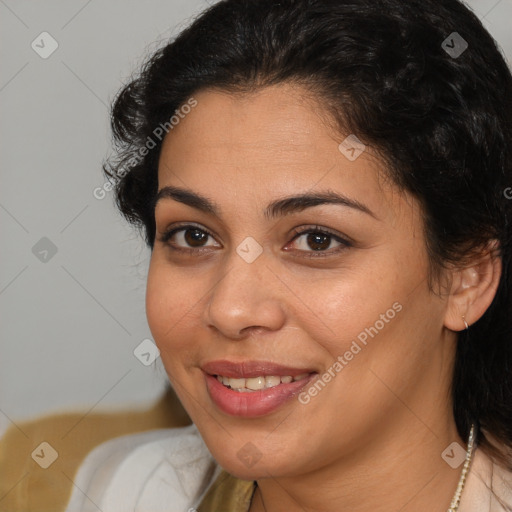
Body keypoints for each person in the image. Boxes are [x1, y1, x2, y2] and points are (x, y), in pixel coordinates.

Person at [65, 0, 512, 510]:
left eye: (316, 240)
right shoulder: (132, 490)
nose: (229, 310)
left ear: (468, 276)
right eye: (193, 236)